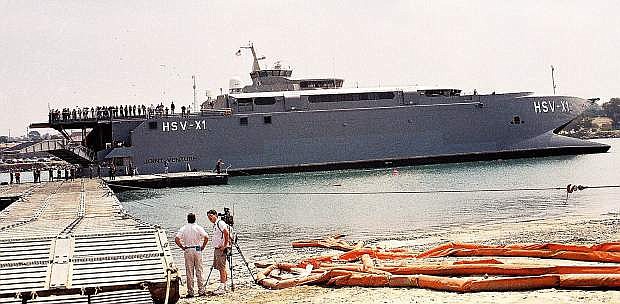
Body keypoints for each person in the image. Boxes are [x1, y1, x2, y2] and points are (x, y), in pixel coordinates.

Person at [175, 213, 208, 298]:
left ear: (187, 219)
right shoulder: (198, 227)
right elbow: (206, 237)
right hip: (197, 249)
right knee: (199, 270)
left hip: (188, 249)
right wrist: (203, 246)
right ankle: (201, 290)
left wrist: (182, 247)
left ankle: (190, 292)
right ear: (195, 219)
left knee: (189, 272)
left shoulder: (184, 228)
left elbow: (176, 239)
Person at [207, 209, 230, 295]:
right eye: (208, 217)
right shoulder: (216, 224)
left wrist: (225, 245)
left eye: (211, 216)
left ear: (215, 215)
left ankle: (222, 287)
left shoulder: (220, 223)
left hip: (221, 249)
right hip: (217, 249)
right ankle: (224, 285)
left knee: (221, 268)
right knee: (221, 267)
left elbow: (226, 233)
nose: (210, 219)